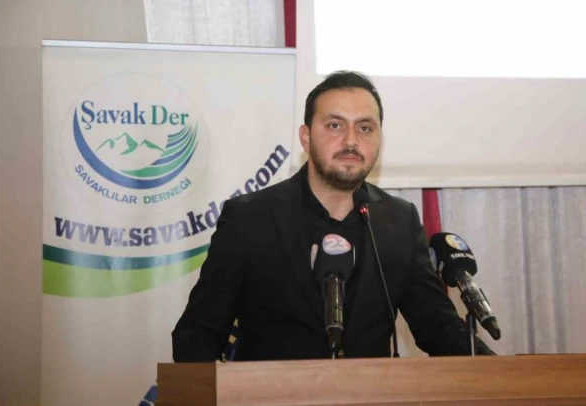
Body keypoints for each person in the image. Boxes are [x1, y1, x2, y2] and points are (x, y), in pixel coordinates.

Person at [172, 71, 494, 361]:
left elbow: (438, 327)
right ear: (306, 136)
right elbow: (198, 333)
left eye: (365, 128)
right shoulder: (250, 219)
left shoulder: (399, 221)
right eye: (335, 126)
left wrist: (502, 374)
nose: (351, 141)